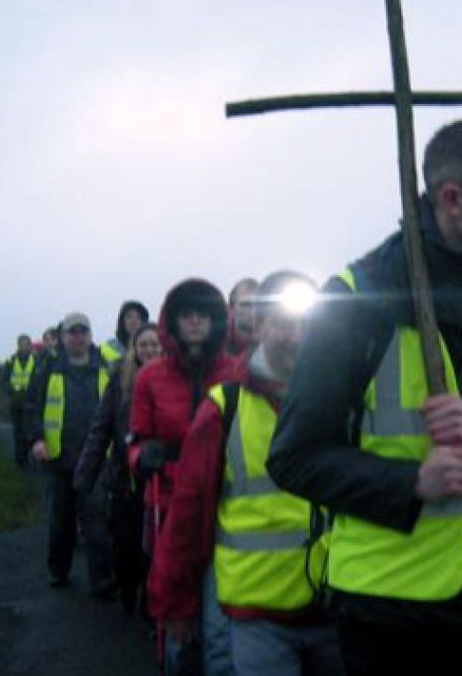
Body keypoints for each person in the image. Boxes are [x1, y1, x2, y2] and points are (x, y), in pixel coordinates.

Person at [267, 119, 462, 675]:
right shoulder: (357, 298)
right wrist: (412, 484)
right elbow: (295, 457)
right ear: (452, 199)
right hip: (393, 614)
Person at [150, 271, 344, 676]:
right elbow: (187, 514)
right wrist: (176, 602)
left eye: (307, 326)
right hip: (259, 616)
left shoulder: (344, 399)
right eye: (283, 325)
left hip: (336, 608)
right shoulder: (225, 407)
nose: (296, 338)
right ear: (258, 326)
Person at [127, 278, 236, 676]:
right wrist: (142, 456)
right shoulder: (149, 378)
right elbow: (134, 442)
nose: (194, 323)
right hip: (169, 500)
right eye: (187, 315)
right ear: (172, 322)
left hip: (224, 500)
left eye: (203, 315)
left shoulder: (235, 371)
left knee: (218, 608)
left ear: (216, 321)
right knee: (174, 600)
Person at [74, 321, 162, 614]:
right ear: (135, 348)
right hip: (124, 477)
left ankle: (152, 606)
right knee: (124, 544)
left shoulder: (174, 380)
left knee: (154, 548)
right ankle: (127, 590)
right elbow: (101, 428)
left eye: (155, 344)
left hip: (158, 480)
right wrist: (85, 473)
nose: (150, 350)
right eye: (144, 344)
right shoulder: (119, 381)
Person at [30, 311, 115, 597]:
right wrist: (38, 439)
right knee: (60, 523)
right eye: (72, 332)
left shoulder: (106, 368)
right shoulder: (48, 369)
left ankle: (101, 581)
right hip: (59, 460)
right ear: (63, 337)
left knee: (96, 523)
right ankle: (58, 571)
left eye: (83, 332)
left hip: (96, 461)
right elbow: (33, 408)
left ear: (91, 336)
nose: (78, 337)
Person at [1, 334, 38, 468]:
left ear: (30, 345)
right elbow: (5, 381)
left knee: (31, 433)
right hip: (16, 402)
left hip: (31, 403)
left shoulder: (36, 360)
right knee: (18, 432)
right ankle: (20, 461)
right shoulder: (11, 362)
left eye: (26, 344)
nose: (24, 347)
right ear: (18, 346)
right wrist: (11, 392)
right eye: (21, 344)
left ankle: (31, 460)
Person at [101, 301, 150, 367]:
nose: (134, 321)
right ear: (122, 321)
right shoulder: (109, 347)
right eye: (129, 317)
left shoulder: (152, 348)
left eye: (138, 317)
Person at [226, 278, 259, 356]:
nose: (253, 311)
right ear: (231, 309)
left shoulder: (273, 339)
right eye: (246, 305)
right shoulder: (216, 342)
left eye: (257, 305)